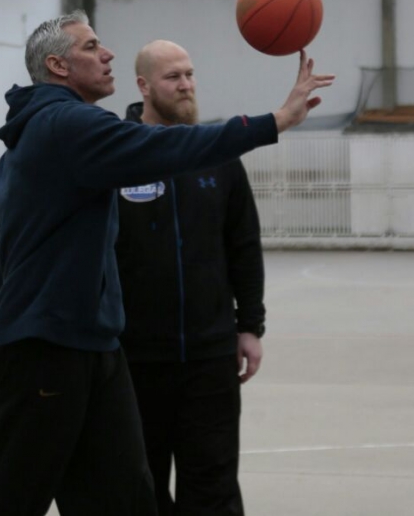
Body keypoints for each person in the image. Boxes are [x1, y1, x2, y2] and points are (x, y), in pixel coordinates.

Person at [0, 11, 333, 516]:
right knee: (9, 497)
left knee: (124, 497)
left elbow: (2, 252)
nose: (108, 53)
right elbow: (164, 143)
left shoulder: (48, 135)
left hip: (94, 343)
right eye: (91, 46)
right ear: (58, 65)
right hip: (48, 347)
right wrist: (274, 121)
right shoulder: (65, 124)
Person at [116, 40, 266, 516]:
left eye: (189, 74)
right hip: (134, 359)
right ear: (143, 86)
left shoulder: (218, 155)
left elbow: (243, 244)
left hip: (210, 357)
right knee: (139, 490)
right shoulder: (118, 155)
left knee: (213, 489)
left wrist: (250, 326)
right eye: (173, 77)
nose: (186, 85)